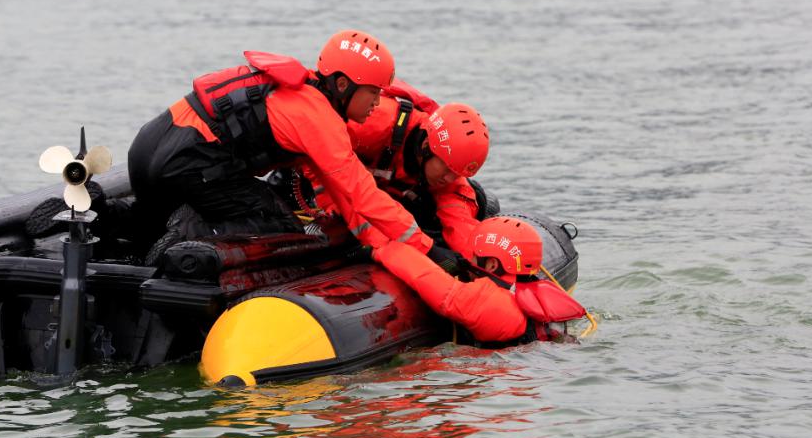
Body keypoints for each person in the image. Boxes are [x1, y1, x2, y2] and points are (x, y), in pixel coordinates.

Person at [127, 30, 449, 264]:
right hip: (187, 164)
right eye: (373, 93)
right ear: (342, 84)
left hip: (147, 148)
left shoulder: (303, 90)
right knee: (281, 227)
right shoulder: (318, 116)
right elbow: (362, 193)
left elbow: (322, 172)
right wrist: (429, 249)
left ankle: (121, 217)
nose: (378, 102)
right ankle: (189, 230)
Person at [299, 88, 492, 266]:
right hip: (313, 177)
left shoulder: (449, 175)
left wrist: (478, 265)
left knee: (485, 203)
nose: (450, 179)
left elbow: (460, 225)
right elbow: (315, 146)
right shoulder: (372, 121)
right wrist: (333, 208)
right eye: (448, 169)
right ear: (426, 147)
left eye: (458, 173)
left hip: (376, 193)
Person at [373, 216, 587, 344]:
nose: (469, 259)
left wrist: (378, 248)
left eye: (474, 256)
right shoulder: (539, 288)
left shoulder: (485, 300)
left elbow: (424, 276)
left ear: (492, 265)